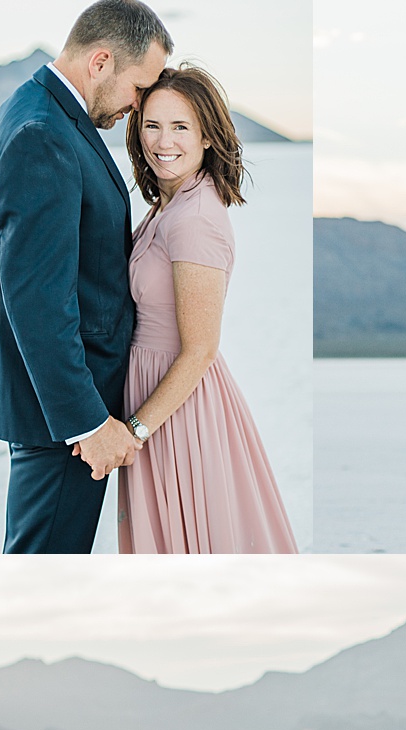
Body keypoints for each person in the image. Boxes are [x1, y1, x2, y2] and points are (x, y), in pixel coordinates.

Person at [0, 3, 173, 553]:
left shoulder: (44, 114)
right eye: (139, 87)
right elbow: (36, 298)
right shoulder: (42, 133)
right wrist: (86, 423)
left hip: (58, 406)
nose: (139, 107)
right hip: (62, 418)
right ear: (102, 61)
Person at [117, 65, 298, 552]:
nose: (163, 141)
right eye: (152, 125)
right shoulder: (169, 204)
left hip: (176, 408)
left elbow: (199, 349)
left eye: (181, 127)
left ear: (208, 138)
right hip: (155, 398)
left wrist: (134, 431)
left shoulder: (196, 218)